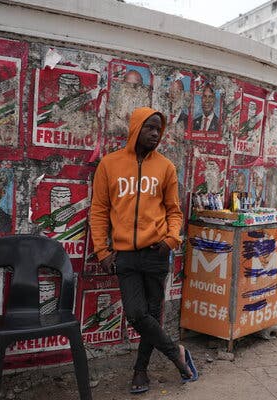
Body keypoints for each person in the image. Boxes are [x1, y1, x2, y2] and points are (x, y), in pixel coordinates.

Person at [90, 107, 198, 394]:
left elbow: (174, 211)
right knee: (137, 314)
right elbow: (99, 211)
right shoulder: (110, 164)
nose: (155, 134)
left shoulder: (165, 167)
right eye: (149, 127)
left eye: (158, 130)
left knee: (152, 312)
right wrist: (102, 251)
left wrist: (171, 240)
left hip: (157, 252)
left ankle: (140, 370)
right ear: (136, 128)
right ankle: (177, 353)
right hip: (124, 255)